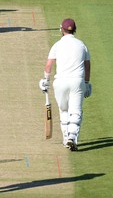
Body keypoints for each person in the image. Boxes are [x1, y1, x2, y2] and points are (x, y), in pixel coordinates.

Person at [39, 18, 92, 151]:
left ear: (62, 30)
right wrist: (87, 83)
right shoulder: (82, 45)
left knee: (64, 110)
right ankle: (72, 137)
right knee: (76, 111)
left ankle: (65, 137)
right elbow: (87, 65)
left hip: (60, 82)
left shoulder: (57, 45)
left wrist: (45, 80)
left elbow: (48, 66)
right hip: (77, 82)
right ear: (75, 30)